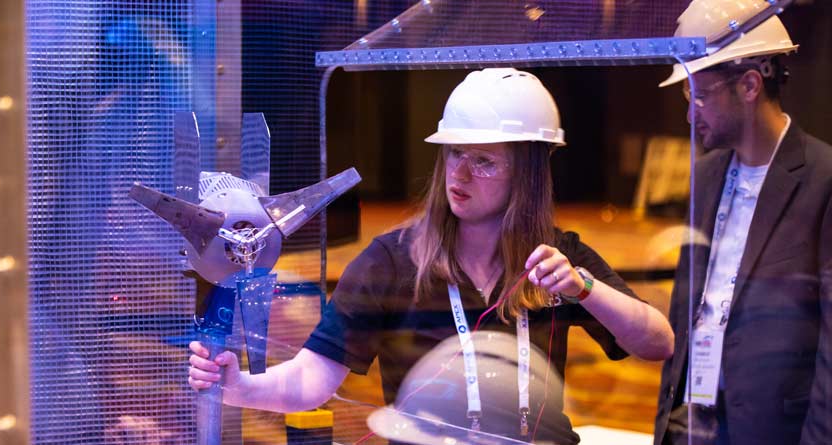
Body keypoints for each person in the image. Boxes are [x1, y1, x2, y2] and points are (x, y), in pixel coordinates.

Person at [189, 67, 674, 444]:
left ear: (526, 174)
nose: (459, 176)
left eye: (483, 161)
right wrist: (239, 387)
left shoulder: (560, 259)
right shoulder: (392, 261)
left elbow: (658, 343)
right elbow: (312, 378)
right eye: (453, 155)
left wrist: (584, 288)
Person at [653, 2, 832, 445]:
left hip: (769, 430)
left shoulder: (824, 180)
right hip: (689, 421)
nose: (690, 115)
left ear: (750, 85)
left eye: (699, 95)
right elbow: (684, 312)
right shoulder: (706, 174)